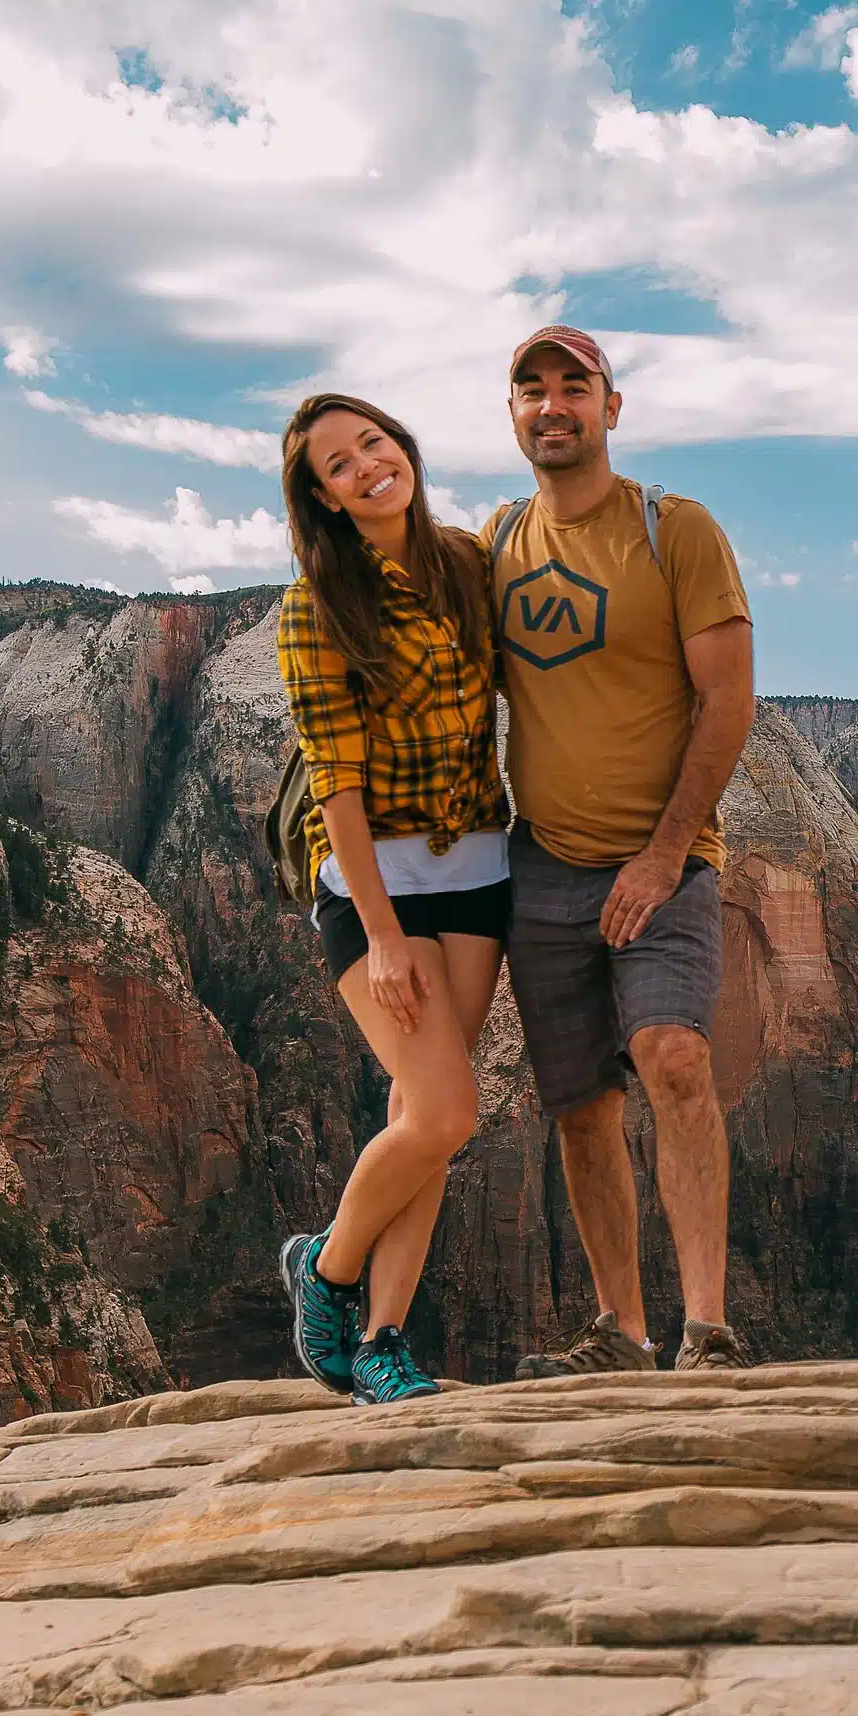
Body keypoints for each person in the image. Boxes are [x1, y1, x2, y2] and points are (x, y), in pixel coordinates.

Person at [485, 325, 759, 1374]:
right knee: (581, 1103)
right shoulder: (499, 542)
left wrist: (661, 854)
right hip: (542, 864)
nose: (552, 406)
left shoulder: (674, 530)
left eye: (573, 387)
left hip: (669, 857)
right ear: (513, 415)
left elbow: (728, 701)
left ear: (611, 405)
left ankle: (709, 1332)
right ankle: (623, 1333)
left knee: (673, 1058)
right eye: (531, 390)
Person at [270, 390, 509, 1405]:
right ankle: (325, 1269)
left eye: (374, 442)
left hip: (481, 868)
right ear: (321, 500)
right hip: (377, 888)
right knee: (450, 1109)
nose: (366, 466)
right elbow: (337, 781)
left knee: (424, 1115)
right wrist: (380, 936)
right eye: (338, 464)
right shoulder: (315, 606)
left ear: (403, 447)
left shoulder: (466, 564)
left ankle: (383, 1344)